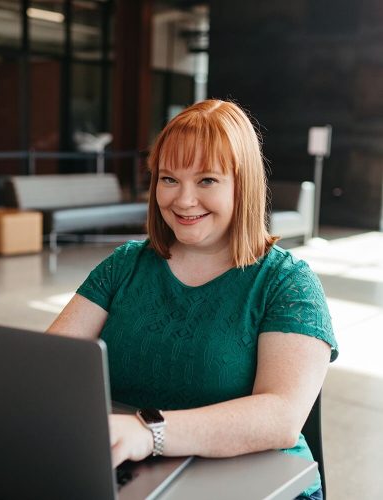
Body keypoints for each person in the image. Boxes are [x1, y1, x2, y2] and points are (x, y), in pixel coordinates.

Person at [47, 99, 338, 500]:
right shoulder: (125, 265)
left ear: (243, 184)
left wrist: (151, 432)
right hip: (136, 472)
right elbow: (50, 363)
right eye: (169, 179)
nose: (183, 200)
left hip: (255, 484)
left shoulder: (287, 283)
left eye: (206, 181)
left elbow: (281, 418)